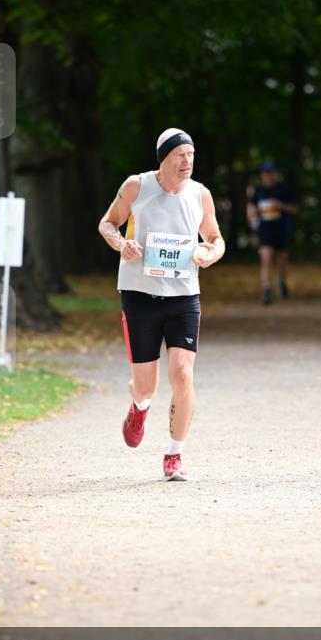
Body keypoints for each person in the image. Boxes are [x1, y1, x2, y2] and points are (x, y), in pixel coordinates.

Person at [98, 128, 225, 481]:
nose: (187, 162)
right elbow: (107, 223)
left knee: (183, 375)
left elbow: (216, 239)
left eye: (192, 155)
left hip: (184, 295)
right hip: (139, 295)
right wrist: (121, 243)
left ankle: (174, 455)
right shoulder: (137, 186)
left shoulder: (201, 195)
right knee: (146, 386)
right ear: (164, 158)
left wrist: (208, 253)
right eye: (180, 155)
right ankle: (139, 408)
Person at [247, 162, 298, 305]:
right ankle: (267, 289)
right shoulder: (258, 190)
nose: (267, 176)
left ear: (275, 174)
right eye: (265, 173)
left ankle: (282, 281)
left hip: (281, 229)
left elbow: (295, 208)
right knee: (266, 257)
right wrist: (253, 214)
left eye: (270, 173)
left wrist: (281, 206)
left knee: (282, 260)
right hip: (264, 230)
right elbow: (251, 207)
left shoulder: (284, 189)